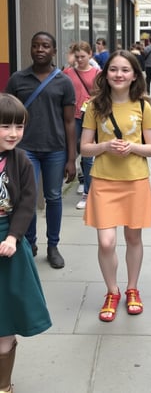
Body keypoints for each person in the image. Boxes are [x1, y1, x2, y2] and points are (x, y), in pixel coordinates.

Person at [80, 50, 151, 322]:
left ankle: (132, 289)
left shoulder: (143, 106)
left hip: (135, 180)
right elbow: (85, 148)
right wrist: (105, 146)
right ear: (105, 73)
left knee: (133, 238)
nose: (119, 74)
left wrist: (132, 147)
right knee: (106, 242)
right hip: (103, 180)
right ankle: (112, 291)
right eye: (113, 69)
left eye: (125, 70)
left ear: (135, 75)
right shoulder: (94, 106)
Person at [5, 31, 77, 269]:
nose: (40, 49)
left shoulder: (63, 81)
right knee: (28, 197)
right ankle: (29, 242)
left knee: (54, 197)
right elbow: (7, 114)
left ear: (54, 51)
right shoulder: (18, 79)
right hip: (25, 150)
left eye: (45, 46)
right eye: (35, 45)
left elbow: (69, 122)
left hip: (55, 149)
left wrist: (71, 158)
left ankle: (53, 246)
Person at [0, 94, 52, 393]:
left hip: (9, 243)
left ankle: (3, 386)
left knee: (6, 317)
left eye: (18, 127)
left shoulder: (21, 160)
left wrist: (12, 237)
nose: (12, 133)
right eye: (5, 126)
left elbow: (27, 203)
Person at [64, 41, 100, 210]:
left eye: (83, 57)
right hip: (72, 117)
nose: (79, 60)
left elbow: (102, 94)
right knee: (71, 151)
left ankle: (88, 191)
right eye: (77, 57)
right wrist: (69, 62)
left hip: (90, 118)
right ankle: (81, 179)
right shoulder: (68, 73)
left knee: (88, 155)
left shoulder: (97, 73)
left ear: (90, 55)